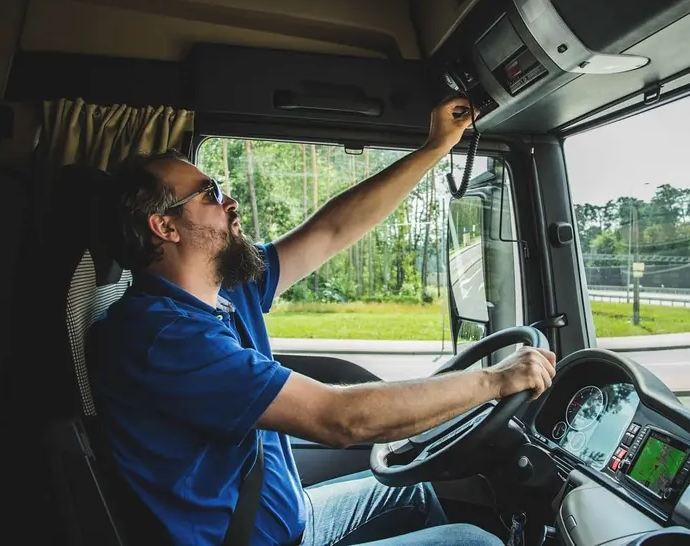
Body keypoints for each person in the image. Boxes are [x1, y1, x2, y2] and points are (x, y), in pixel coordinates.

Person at [89, 96, 557, 546]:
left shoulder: (226, 290)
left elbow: (332, 230)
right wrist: (495, 380)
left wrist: (435, 148)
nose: (229, 201)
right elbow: (341, 419)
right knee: (473, 543)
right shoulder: (162, 337)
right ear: (164, 227)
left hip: (291, 520)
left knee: (412, 492)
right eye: (209, 193)